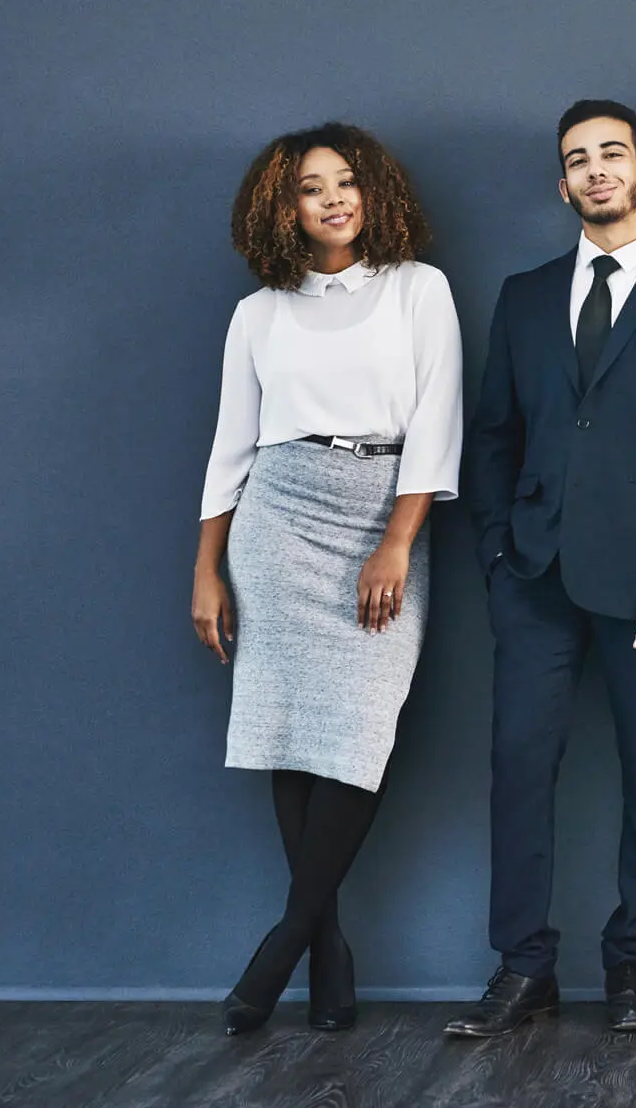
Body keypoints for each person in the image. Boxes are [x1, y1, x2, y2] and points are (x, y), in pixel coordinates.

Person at [446, 100, 636, 1039]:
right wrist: (497, 552)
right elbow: (493, 434)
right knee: (518, 769)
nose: (596, 171)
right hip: (532, 575)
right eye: (578, 160)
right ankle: (523, 966)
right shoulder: (525, 295)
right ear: (563, 182)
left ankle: (631, 968)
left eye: (613, 154)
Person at [192, 123, 463, 1035]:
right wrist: (207, 570)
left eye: (347, 181)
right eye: (313, 188)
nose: (334, 199)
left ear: (374, 190)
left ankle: (286, 942)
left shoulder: (418, 289)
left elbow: (436, 424)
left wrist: (397, 541)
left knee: (355, 727)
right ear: (286, 207)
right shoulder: (258, 313)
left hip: (383, 510)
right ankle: (328, 950)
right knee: (291, 729)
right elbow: (232, 446)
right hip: (276, 518)